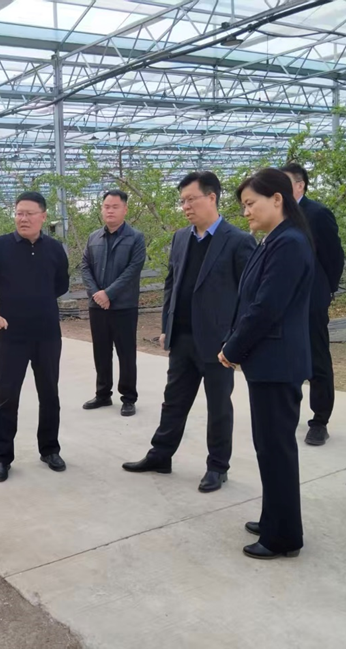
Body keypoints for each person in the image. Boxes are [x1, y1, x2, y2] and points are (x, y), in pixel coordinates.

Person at [122, 171, 256, 493]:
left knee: (218, 407)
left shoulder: (238, 240)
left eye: (191, 199)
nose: (185, 206)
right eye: (182, 201)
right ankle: (161, 455)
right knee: (173, 401)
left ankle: (217, 466)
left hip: (218, 343)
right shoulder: (181, 238)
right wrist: (166, 327)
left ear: (211, 197)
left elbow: (249, 295)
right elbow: (172, 284)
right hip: (182, 338)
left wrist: (235, 340)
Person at [219, 168, 314, 560]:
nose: (246, 212)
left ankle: (283, 536)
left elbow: (266, 307)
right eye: (243, 206)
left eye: (250, 203)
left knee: (276, 449)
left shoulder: (288, 243)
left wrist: (233, 348)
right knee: (269, 447)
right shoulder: (275, 239)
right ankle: (274, 517)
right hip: (270, 361)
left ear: (277, 199)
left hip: (278, 362)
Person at [0, 191, 70, 483]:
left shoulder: (54, 249)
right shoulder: (0, 246)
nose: (23, 218)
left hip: (47, 334)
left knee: (50, 394)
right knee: (6, 397)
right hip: (10, 335)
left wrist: (37, 302)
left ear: (43, 216)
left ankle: (50, 449)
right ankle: (2, 457)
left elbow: (61, 285)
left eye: (29, 213)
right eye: (19, 213)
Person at [280, 163, 345, 447]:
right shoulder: (279, 215)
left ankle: (319, 421)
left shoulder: (317, 214)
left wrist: (324, 289)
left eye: (284, 183)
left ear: (300, 185)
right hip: (283, 300)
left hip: (311, 300)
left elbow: (334, 258)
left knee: (317, 358)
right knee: (286, 358)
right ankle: (287, 412)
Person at [80, 190, 146, 417]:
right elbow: (85, 267)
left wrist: (109, 293)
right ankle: (102, 394)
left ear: (125, 209)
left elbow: (133, 269)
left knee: (126, 353)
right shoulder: (93, 237)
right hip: (97, 306)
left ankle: (128, 398)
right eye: (106, 206)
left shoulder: (135, 237)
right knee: (101, 351)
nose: (110, 210)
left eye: (115, 206)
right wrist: (96, 294)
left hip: (124, 306)